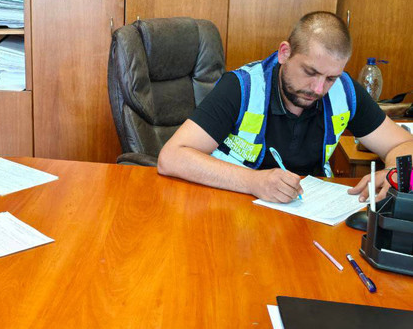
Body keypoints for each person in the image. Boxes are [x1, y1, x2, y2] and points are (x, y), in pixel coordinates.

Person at [158, 11, 413, 203]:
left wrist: (393, 172)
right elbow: (171, 157)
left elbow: (404, 145)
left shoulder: (345, 91)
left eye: (330, 78)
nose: (318, 89)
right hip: (233, 204)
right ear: (284, 53)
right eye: (310, 72)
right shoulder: (241, 87)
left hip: (307, 213)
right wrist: (253, 181)